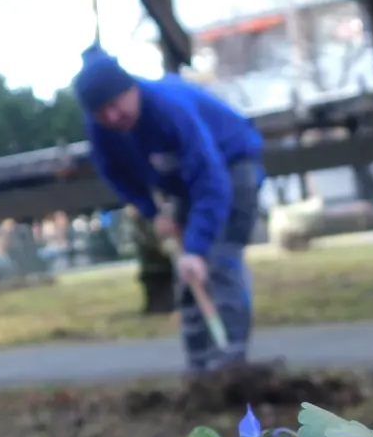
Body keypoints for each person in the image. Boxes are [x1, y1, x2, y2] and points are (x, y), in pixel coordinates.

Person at [71, 45, 265, 372]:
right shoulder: (103, 128)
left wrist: (198, 247)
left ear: (130, 88)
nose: (111, 118)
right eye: (100, 113)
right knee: (188, 273)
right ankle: (200, 369)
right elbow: (116, 174)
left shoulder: (169, 108)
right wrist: (152, 211)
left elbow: (211, 180)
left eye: (114, 106)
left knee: (218, 261)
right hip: (184, 183)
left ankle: (232, 367)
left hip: (231, 167)